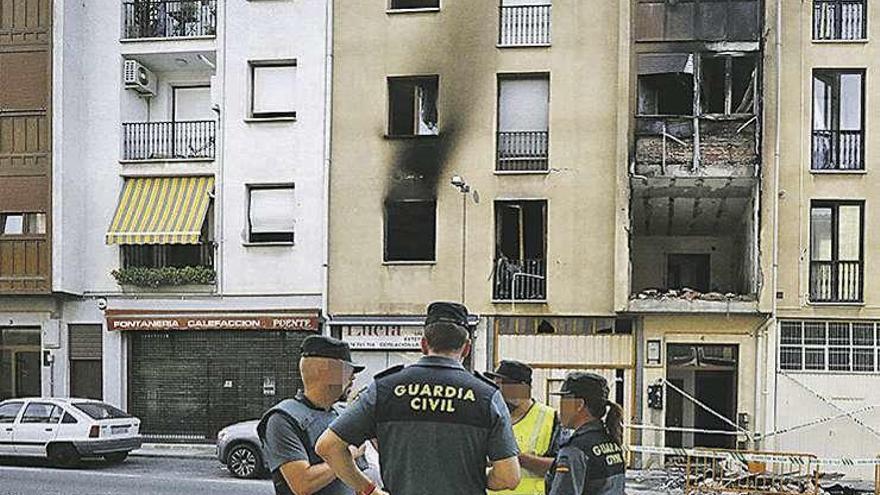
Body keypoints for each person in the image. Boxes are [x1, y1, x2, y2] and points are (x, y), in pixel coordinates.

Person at [315, 301, 522, 495]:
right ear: (466, 348)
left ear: (423, 344)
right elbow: (509, 477)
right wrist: (476, 476)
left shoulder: (385, 389)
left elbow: (328, 446)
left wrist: (369, 490)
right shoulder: (486, 396)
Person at [257, 335, 368, 495]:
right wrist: (347, 454)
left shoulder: (342, 414)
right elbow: (303, 484)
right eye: (346, 371)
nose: (352, 377)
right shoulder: (282, 419)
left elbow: (357, 480)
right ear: (324, 373)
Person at [487, 360, 562, 495]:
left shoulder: (550, 418)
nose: (498, 392)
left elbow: (560, 467)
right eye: (496, 386)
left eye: (503, 386)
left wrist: (514, 457)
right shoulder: (491, 416)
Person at [545, 372, 626, 495]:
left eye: (563, 400)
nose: (560, 407)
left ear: (579, 405)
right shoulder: (611, 442)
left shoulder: (575, 450)